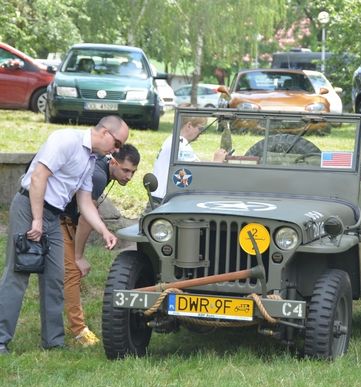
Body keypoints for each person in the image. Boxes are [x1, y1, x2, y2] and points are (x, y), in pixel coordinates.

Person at [0, 115, 129, 355]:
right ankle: (0, 340)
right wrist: (36, 220)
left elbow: (84, 201)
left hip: (53, 215)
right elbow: (39, 177)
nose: (116, 150)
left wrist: (104, 230)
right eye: (118, 143)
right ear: (104, 132)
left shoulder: (91, 159)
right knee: (19, 273)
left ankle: (53, 342)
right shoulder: (66, 140)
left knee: (55, 277)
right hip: (30, 206)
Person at [61, 144, 140, 346]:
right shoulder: (98, 176)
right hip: (54, 217)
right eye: (125, 170)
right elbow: (87, 218)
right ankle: (79, 331)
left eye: (133, 172)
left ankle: (55, 330)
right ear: (113, 161)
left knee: (62, 274)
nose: (129, 177)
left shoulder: (101, 167)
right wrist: (79, 257)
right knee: (72, 271)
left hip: (62, 217)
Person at [152, 115, 227, 200]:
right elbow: (198, 172)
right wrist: (216, 162)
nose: (200, 133)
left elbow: (194, 165)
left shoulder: (173, 139)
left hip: (159, 198)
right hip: (163, 201)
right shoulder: (180, 143)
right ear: (189, 126)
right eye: (200, 129)